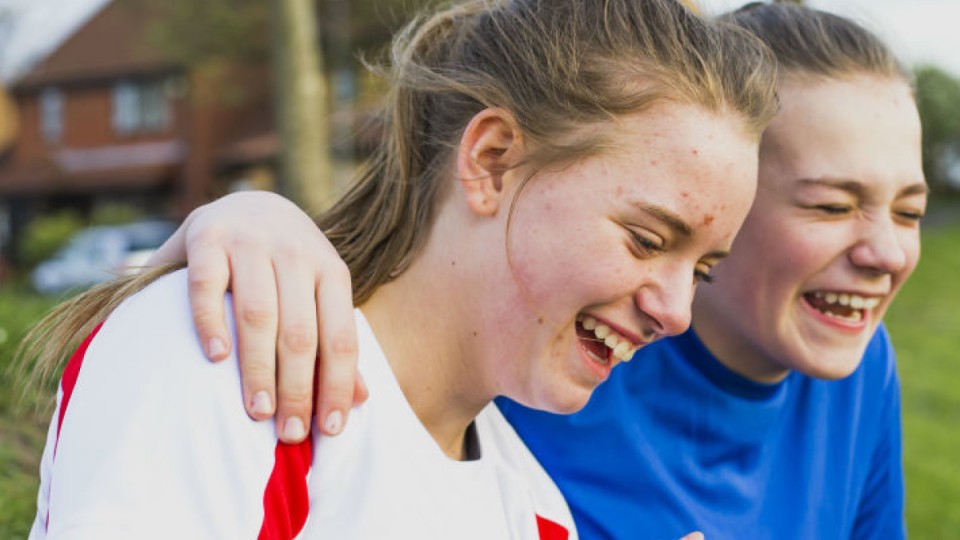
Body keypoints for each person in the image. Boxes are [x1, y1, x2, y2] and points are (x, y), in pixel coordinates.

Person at [156, 3, 928, 539]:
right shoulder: (549, 347)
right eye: (830, 206)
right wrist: (255, 219)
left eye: (910, 210)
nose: (887, 253)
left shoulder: (859, 374)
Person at [25, 0, 779, 538]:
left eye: (703, 270)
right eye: (648, 239)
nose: (677, 311)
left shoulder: (536, 515)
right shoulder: (227, 349)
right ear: (492, 161)